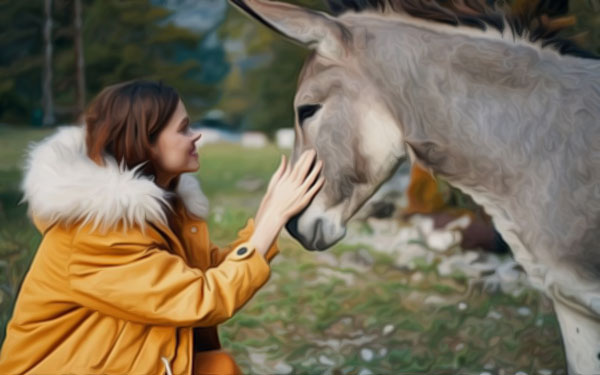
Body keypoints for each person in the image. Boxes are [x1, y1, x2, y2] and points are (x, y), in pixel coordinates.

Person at [0, 80, 324, 375]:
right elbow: (201, 298)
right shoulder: (97, 234)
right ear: (147, 143)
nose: (196, 135)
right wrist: (271, 220)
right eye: (183, 129)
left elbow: (201, 273)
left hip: (113, 361)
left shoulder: (162, 211)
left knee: (220, 368)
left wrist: (270, 211)